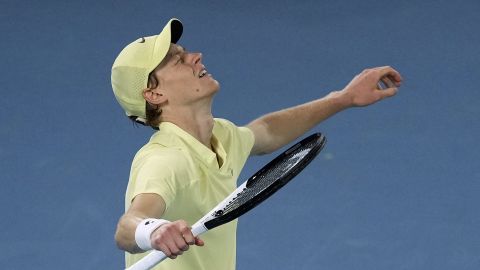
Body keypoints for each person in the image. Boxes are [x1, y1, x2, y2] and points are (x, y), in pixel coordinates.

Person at [111, 18, 402, 270]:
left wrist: (342, 98)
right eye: (178, 60)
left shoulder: (220, 136)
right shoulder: (165, 160)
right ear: (155, 95)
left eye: (185, 52)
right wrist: (155, 230)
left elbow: (266, 132)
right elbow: (128, 226)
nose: (196, 56)